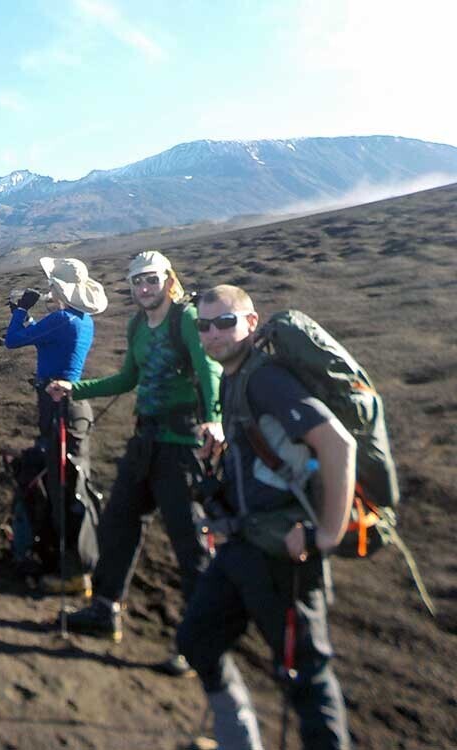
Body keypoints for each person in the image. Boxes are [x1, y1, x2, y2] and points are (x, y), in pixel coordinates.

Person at [176, 285, 353, 749]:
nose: (213, 334)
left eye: (225, 322)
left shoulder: (265, 379)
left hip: (283, 555)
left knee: (306, 678)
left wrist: (326, 534)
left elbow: (338, 444)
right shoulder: (233, 377)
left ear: (251, 323)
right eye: (204, 326)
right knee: (197, 639)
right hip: (243, 543)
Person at [47, 250, 222, 676]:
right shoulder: (138, 325)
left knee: (190, 545)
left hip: (183, 447)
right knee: (118, 524)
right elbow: (129, 378)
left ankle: (201, 644)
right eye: (137, 281)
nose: (144, 287)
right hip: (145, 443)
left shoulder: (186, 319)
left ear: (168, 280)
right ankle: (104, 610)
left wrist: (215, 419)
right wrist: (75, 389)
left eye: (151, 279)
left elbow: (208, 368)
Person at [4, 257, 107, 592]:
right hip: (67, 406)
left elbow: (13, 340)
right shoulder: (78, 319)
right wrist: (23, 315)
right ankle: (68, 562)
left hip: (60, 406)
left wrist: (21, 310)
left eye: (52, 285)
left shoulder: (62, 319)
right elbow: (40, 336)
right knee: (67, 483)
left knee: (65, 487)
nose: (48, 289)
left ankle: (75, 572)